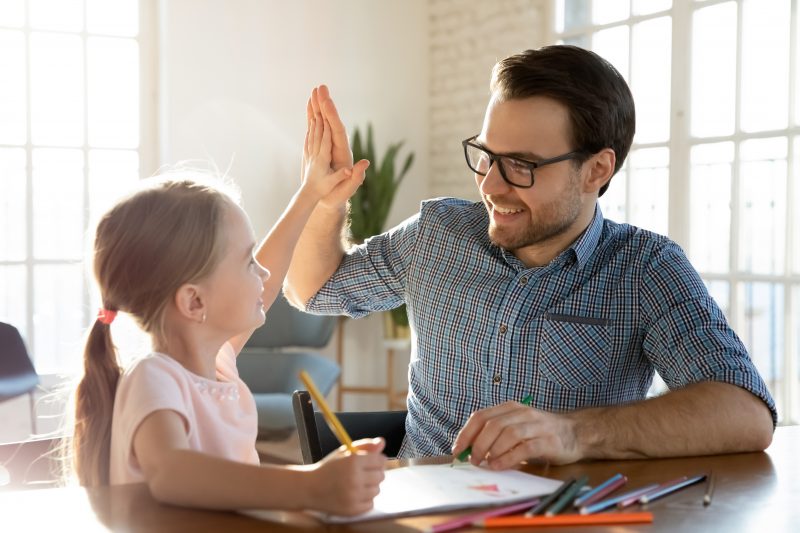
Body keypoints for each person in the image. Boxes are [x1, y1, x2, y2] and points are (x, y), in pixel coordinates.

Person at [284, 45, 777, 469]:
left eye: (522, 165)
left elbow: (746, 414)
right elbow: (313, 289)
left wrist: (572, 434)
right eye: (487, 155)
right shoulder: (437, 235)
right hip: (423, 514)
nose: (491, 187)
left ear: (596, 170)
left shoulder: (645, 269)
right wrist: (327, 202)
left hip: (556, 516)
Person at [70, 115, 385, 515]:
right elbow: (173, 474)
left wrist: (310, 195)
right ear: (194, 303)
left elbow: (266, 286)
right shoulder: (154, 379)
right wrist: (311, 486)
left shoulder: (216, 364)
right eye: (247, 262)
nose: (265, 273)